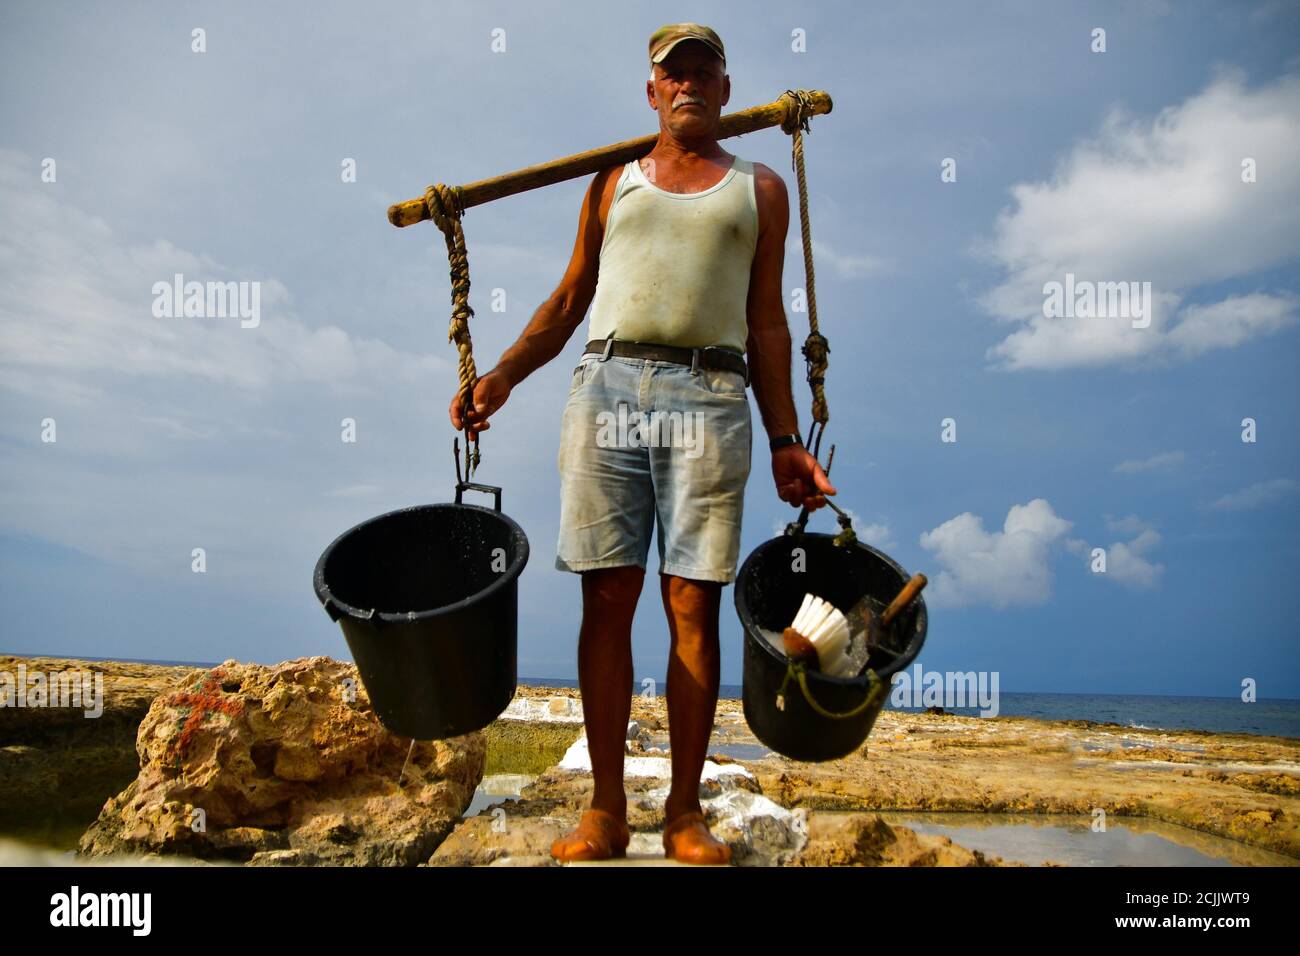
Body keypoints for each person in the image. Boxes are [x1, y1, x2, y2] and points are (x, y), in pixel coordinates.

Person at [448, 23, 835, 864]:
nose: (689, 84)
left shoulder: (759, 188)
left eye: (705, 73)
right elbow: (568, 299)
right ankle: (606, 813)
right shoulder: (609, 183)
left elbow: (768, 322)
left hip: (712, 390)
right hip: (608, 384)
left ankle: (684, 815)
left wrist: (785, 438)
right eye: (674, 74)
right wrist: (503, 375)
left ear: (727, 92)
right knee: (608, 597)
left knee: (692, 600)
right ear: (652, 92)